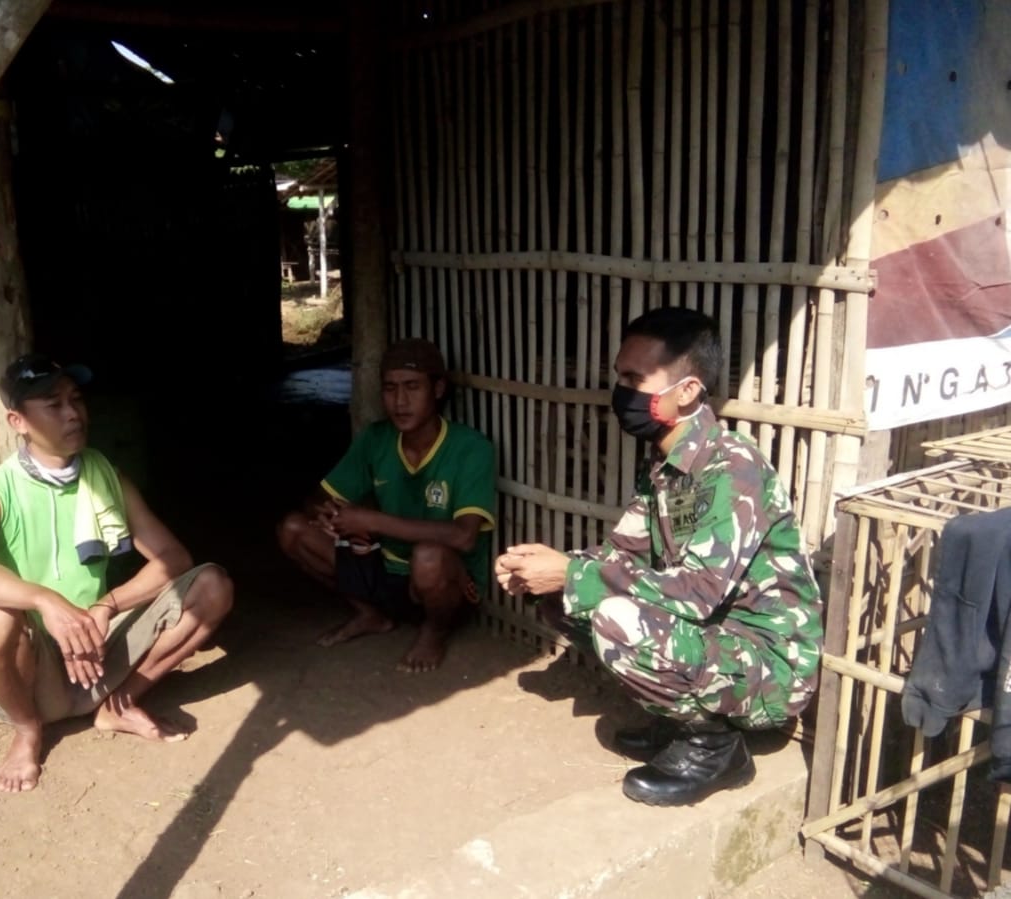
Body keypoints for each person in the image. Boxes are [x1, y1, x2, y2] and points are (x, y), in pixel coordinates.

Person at [494, 307, 823, 807]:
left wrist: (574, 573)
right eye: (619, 376)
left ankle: (714, 749)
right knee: (565, 599)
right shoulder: (666, 466)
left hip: (771, 668)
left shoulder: (731, 469)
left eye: (635, 378)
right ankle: (680, 720)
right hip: (718, 642)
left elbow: (696, 594)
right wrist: (550, 567)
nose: (622, 391)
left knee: (610, 613)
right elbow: (620, 553)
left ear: (688, 390)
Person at [0, 353, 233, 793]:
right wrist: (47, 602)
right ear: (18, 421)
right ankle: (27, 730)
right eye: (52, 404)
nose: (73, 412)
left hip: (98, 655)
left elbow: (173, 557)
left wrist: (106, 606)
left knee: (212, 586)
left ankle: (118, 704)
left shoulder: (105, 475)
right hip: (34, 672)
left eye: (75, 399)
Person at [277, 338, 496, 673]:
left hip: (442, 584)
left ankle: (434, 632)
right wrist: (330, 516)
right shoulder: (376, 439)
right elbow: (318, 497)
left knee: (428, 555)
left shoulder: (470, 448)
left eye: (412, 387)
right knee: (293, 529)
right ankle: (371, 615)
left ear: (437, 389)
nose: (400, 401)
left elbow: (464, 536)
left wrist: (372, 520)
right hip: (383, 569)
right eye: (390, 388)